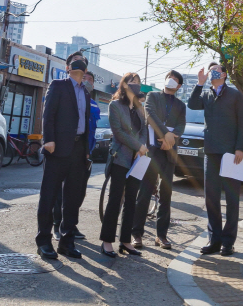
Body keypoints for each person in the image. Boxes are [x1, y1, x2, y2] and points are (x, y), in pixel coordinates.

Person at [188, 61, 243, 257]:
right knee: (211, 198)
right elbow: (192, 104)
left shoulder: (235, 95)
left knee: (232, 199)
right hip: (211, 152)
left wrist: (240, 148)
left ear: (224, 74)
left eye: (216, 70)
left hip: (231, 154)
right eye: (210, 71)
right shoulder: (206, 94)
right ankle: (214, 240)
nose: (212, 73)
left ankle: (228, 242)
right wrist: (199, 83)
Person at [36, 50, 91, 260]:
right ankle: (43, 241)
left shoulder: (86, 92)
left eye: (83, 63)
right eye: (75, 62)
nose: (79, 65)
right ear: (68, 67)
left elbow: (86, 124)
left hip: (78, 150)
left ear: (86, 71)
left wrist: (86, 150)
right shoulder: (58, 85)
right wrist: (48, 139)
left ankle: (67, 242)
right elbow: (47, 113)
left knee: (72, 199)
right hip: (56, 148)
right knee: (49, 196)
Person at [132, 69, 186, 249]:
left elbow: (181, 125)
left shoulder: (180, 105)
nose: (171, 80)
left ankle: (161, 235)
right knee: (145, 193)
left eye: (175, 79)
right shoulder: (153, 96)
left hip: (169, 152)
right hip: (153, 151)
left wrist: (170, 138)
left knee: (166, 195)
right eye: (169, 77)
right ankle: (137, 234)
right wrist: (166, 136)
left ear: (179, 86)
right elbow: (150, 115)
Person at [99, 72, 148, 258]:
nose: (134, 85)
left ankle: (126, 241)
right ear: (124, 84)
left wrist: (141, 148)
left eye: (137, 82)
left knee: (131, 201)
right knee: (115, 199)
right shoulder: (115, 105)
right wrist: (137, 146)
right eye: (131, 82)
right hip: (121, 158)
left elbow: (144, 130)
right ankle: (106, 241)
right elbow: (118, 132)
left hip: (138, 160)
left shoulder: (140, 108)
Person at [53, 69, 100, 240]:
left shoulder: (93, 103)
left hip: (85, 153)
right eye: (84, 77)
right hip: (67, 150)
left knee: (78, 192)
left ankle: (71, 225)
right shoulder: (66, 97)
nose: (86, 81)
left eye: (90, 79)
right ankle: (57, 225)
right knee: (61, 192)